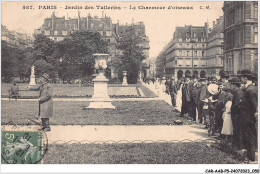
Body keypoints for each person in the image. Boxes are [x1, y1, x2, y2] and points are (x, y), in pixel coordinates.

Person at [239, 70, 258, 162]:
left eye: (241, 78)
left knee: (250, 136)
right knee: (251, 136)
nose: (241, 79)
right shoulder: (252, 88)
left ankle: (251, 158)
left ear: (246, 78)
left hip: (248, 117)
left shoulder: (249, 90)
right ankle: (250, 155)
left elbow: (254, 105)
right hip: (249, 117)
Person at [229, 77, 244, 150]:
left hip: (237, 116)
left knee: (238, 130)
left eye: (231, 85)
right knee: (236, 130)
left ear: (235, 85)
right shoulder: (238, 92)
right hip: (236, 115)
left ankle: (239, 147)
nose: (231, 86)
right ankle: (237, 146)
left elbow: (237, 105)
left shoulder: (238, 93)